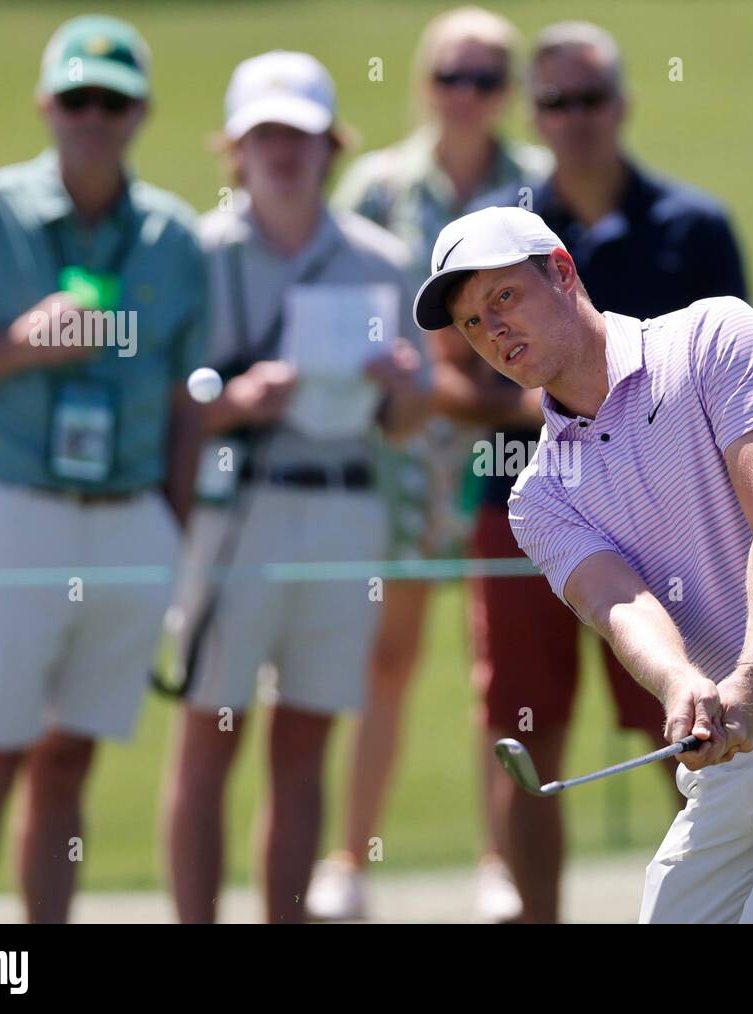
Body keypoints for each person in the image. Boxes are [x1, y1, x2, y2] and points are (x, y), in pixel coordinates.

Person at [412, 205, 753, 923]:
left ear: (562, 271)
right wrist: (680, 684)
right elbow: (622, 604)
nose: (494, 332)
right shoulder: (538, 494)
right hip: (739, 759)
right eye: (472, 324)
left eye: (504, 298)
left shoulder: (713, 338)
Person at [0, 15, 207, 923]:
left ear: (138, 111)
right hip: (18, 513)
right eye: (77, 98)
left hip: (132, 517)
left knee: (70, 760)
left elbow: (188, 405)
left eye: (111, 100)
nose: (93, 116)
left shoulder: (174, 238)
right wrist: (16, 345)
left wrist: (174, 527)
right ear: (47, 105)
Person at [470, 21, 750, 923]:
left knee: (685, 725)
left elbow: (728, 378)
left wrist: (601, 402)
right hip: (538, 502)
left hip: (672, 510)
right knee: (528, 732)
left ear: (622, 106)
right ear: (533, 114)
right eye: (555, 101)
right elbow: (453, 383)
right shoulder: (498, 244)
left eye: (590, 99)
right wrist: (565, 403)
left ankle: (718, 903)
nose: (575, 118)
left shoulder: (692, 225)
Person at [161, 50, 426, 925]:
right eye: (266, 134)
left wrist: (401, 388)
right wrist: (235, 402)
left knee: (306, 739)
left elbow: (402, 423)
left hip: (346, 506)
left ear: (331, 148)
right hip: (240, 510)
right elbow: (164, 405)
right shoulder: (196, 252)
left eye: (301, 136)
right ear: (235, 147)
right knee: (210, 736)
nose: (284, 152)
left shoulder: (380, 259)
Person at [312, 5, 550, 922]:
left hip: (510, 459)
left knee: (501, 670)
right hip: (400, 460)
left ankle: (500, 860)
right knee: (389, 656)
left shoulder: (534, 187)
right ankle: (350, 858)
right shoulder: (377, 188)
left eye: (488, 78)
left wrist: (455, 386)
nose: (468, 94)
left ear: (509, 93)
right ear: (424, 84)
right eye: (453, 75)